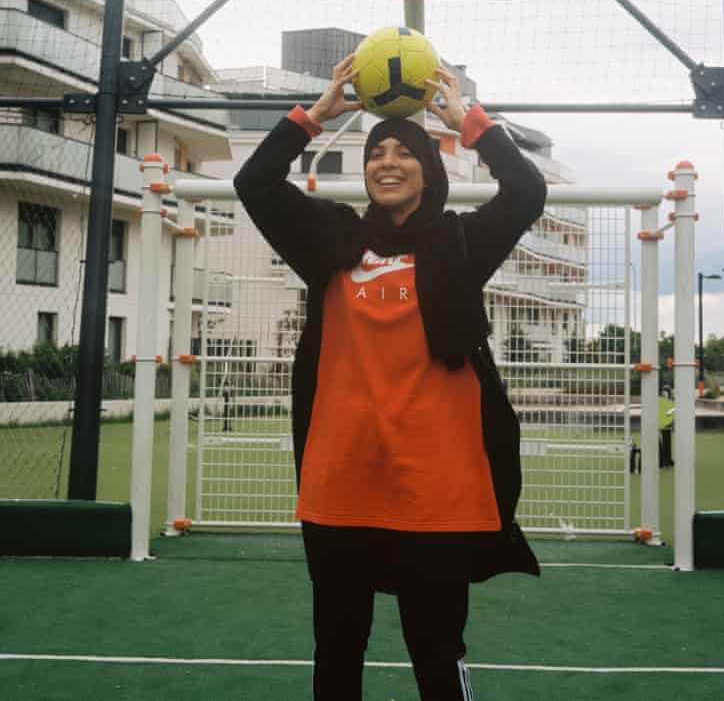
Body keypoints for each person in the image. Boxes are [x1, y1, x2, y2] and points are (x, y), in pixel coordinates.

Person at [234, 55, 545, 701]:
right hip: (341, 483)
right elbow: (256, 182)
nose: (388, 163)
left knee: (436, 652)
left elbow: (526, 192)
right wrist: (314, 117)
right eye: (378, 153)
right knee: (337, 651)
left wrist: (469, 123)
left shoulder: (460, 245)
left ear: (428, 173)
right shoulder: (330, 240)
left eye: (405, 152)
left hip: (435, 491)